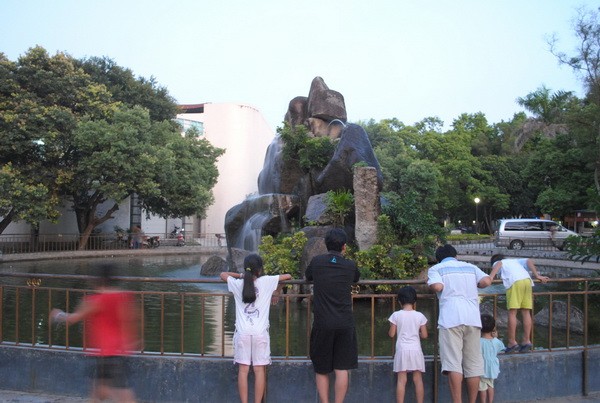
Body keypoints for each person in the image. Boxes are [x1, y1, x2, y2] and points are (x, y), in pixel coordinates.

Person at [50, 264, 139, 403]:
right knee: (104, 392)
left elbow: (73, 319)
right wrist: (133, 342)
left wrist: (57, 315)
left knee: (107, 394)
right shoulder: (125, 297)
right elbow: (130, 320)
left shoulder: (95, 300)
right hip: (120, 352)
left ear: (98, 280)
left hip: (104, 354)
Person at [220, 254, 291, 403]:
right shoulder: (266, 282)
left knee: (243, 370)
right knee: (259, 371)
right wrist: (277, 291)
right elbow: (288, 276)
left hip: (242, 333)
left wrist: (241, 275)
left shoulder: (238, 284)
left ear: (245, 269)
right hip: (260, 334)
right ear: (259, 270)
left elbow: (223, 274)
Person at [427, 244, 491, 403]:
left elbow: (437, 286)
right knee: (473, 364)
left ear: (438, 258)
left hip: (450, 319)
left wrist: (429, 284)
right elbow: (486, 281)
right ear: (456, 256)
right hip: (472, 318)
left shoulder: (437, 269)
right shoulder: (470, 267)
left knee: (453, 364)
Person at [305, 228, 360, 403]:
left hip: (323, 323)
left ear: (325, 245)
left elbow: (308, 276)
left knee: (321, 369)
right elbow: (356, 278)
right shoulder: (350, 265)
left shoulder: (317, 262)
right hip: (345, 323)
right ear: (344, 247)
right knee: (342, 368)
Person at [489, 254, 549, 353]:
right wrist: (537, 275)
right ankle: (526, 340)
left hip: (515, 282)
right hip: (527, 281)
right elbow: (528, 260)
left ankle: (512, 342)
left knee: (512, 312)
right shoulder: (514, 261)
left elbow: (499, 263)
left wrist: (490, 277)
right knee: (526, 312)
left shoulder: (499, 262)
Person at [388, 286, 428, 403]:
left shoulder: (396, 315)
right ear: (415, 300)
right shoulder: (420, 316)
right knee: (418, 379)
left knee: (401, 380)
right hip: (416, 350)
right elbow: (424, 335)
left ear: (399, 301)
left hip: (402, 350)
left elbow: (391, 334)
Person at [478, 314, 505, 403]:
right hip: (493, 367)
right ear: (493, 327)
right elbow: (502, 348)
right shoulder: (496, 341)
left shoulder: (479, 341)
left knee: (482, 387)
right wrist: (495, 337)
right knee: (490, 385)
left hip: (482, 367)